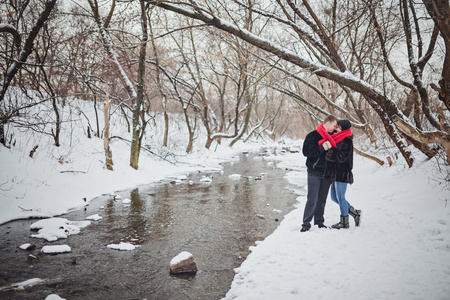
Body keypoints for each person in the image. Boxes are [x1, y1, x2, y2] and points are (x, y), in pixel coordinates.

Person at [300, 115, 338, 232]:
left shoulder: (333, 137)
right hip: (314, 172)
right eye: (334, 125)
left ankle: (319, 222)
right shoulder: (312, 136)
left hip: (327, 174)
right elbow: (306, 152)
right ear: (327, 123)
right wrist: (322, 147)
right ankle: (306, 224)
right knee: (312, 199)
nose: (335, 127)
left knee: (322, 200)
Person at [324, 119, 361, 229]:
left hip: (342, 173)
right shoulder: (339, 137)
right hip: (336, 173)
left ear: (343, 128)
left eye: (338, 127)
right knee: (334, 197)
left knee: (340, 197)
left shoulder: (346, 140)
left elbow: (341, 157)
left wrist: (330, 150)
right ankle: (355, 213)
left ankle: (344, 222)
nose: (336, 128)